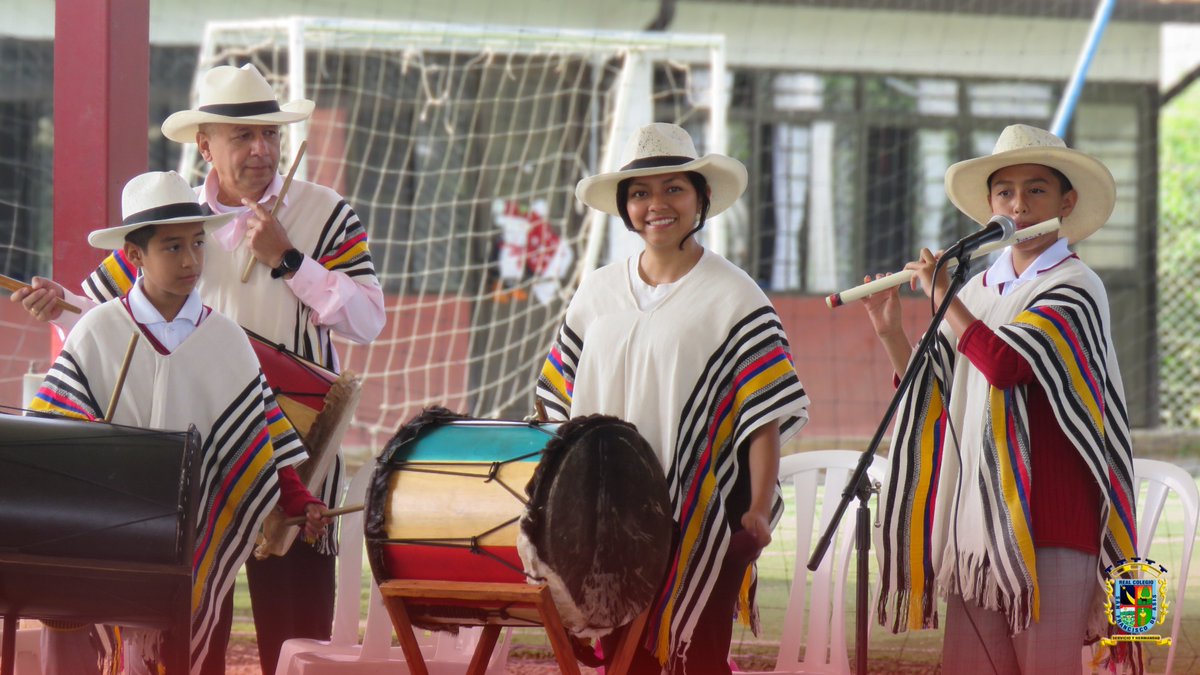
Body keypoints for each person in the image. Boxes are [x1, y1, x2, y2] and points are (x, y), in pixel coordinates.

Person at [12, 64, 385, 674]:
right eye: (242, 137)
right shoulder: (171, 217)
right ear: (204, 145)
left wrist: (290, 258)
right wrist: (62, 309)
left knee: (296, 634)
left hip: (285, 452)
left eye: (269, 134)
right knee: (177, 619)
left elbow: (369, 320)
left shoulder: (327, 215)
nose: (261, 149)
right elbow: (106, 330)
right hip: (179, 472)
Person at [29, 171, 331, 675]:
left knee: (202, 656)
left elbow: (259, 439)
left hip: (199, 538)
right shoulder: (97, 332)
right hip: (112, 542)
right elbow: (54, 436)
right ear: (133, 256)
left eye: (197, 243)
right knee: (118, 658)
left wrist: (301, 502)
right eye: (172, 247)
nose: (191, 260)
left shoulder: (227, 340)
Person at [535, 122, 811, 674]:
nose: (656, 205)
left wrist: (757, 511)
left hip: (701, 514)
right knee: (620, 659)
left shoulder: (734, 297)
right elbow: (555, 402)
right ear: (624, 207)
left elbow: (762, 417)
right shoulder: (596, 291)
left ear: (701, 199)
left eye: (673, 189)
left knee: (692, 656)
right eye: (639, 193)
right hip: (604, 513)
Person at [863, 124, 1138, 673]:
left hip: (1052, 525)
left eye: (1037, 190)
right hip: (976, 528)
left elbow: (1006, 366)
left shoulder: (1076, 285)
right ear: (990, 206)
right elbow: (931, 394)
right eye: (1005, 192)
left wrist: (941, 293)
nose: (1020, 205)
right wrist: (892, 332)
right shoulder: (976, 289)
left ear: (1067, 201)